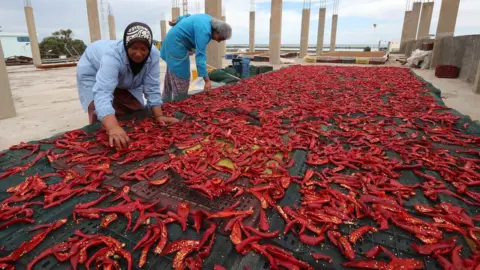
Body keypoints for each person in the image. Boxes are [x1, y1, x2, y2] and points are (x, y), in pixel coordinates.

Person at [77, 22, 178, 149]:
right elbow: (103, 91)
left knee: (134, 107)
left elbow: (152, 85)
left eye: (143, 49)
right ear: (126, 45)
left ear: (149, 48)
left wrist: (159, 115)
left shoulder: (153, 55)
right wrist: (113, 127)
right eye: (134, 48)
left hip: (129, 77)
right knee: (97, 108)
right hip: (93, 69)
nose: (138, 54)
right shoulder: (112, 56)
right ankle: (99, 140)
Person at [161, 14, 232, 101]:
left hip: (171, 41)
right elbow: (200, 57)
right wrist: (206, 81)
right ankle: (179, 102)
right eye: (220, 38)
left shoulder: (208, 19)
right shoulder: (204, 32)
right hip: (176, 45)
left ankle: (165, 102)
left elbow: (188, 16)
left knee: (171, 74)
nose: (218, 41)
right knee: (181, 76)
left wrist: (179, 19)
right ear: (216, 31)